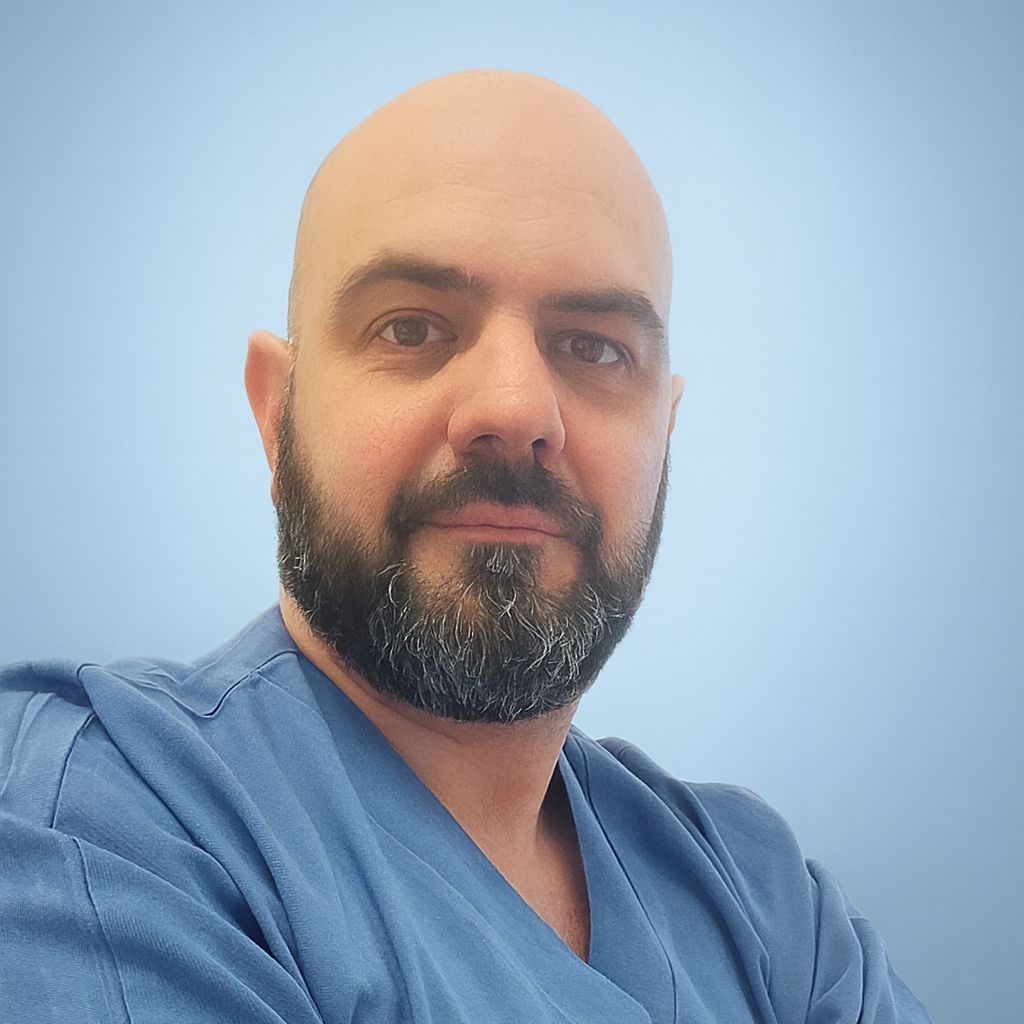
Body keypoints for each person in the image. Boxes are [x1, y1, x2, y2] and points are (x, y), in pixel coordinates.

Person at [0, 70, 931, 1023]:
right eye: (412, 328)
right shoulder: (92, 826)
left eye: (595, 346)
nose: (516, 410)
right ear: (277, 416)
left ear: (664, 437)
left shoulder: (776, 915)